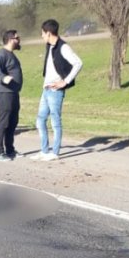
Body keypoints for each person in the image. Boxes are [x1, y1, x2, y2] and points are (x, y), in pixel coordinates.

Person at [31, 19, 83, 161]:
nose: (41, 36)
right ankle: (44, 150)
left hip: (55, 91)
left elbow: (78, 63)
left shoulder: (63, 47)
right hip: (46, 88)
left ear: (48, 33)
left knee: (55, 121)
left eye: (42, 33)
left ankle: (54, 153)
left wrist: (65, 82)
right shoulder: (49, 45)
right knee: (40, 120)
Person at [0, 30, 23, 162]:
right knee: (3, 123)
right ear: (10, 39)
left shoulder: (11, 54)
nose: (19, 40)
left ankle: (10, 150)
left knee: (12, 122)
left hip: (14, 93)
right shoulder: (1, 54)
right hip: (4, 94)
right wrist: (3, 78)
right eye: (17, 38)